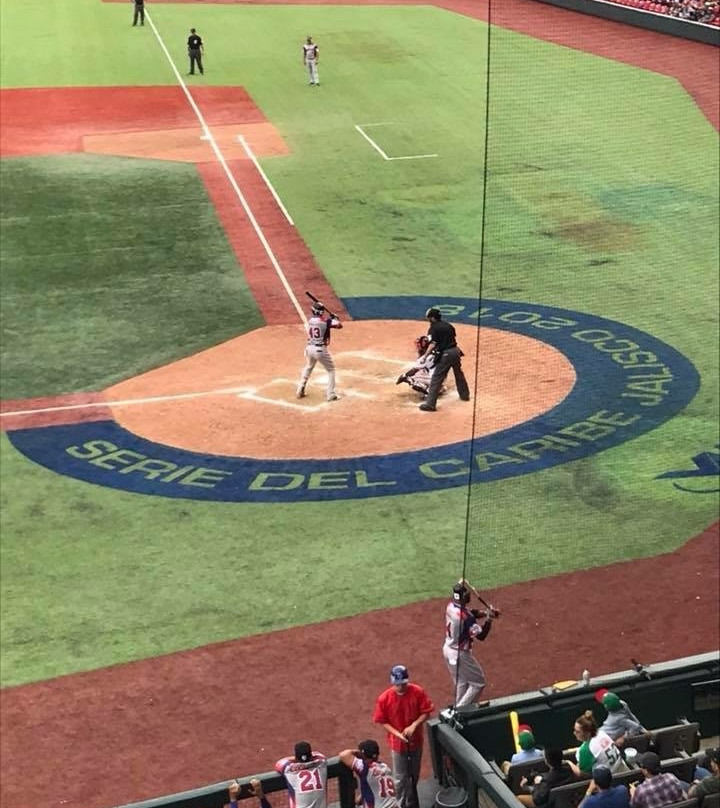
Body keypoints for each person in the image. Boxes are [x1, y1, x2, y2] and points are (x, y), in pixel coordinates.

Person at [372, 664, 434, 808]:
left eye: (404, 684)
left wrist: (414, 725)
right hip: (397, 744)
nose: (401, 687)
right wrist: (397, 734)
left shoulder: (417, 692)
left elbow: (426, 712)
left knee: (414, 776)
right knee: (400, 779)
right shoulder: (385, 698)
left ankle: (411, 803)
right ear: (393, 682)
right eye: (398, 685)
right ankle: (399, 804)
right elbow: (382, 721)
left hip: (416, 741)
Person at [443, 581, 496, 708]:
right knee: (478, 683)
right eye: (466, 594)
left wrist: (485, 613)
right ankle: (460, 711)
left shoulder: (451, 606)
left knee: (462, 681)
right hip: (460, 654)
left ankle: (457, 708)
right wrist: (489, 619)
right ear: (461, 598)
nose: (469, 595)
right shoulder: (466, 618)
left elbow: (470, 612)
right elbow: (481, 636)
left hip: (448, 649)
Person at [417, 308, 470, 412]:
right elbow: (452, 338)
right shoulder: (448, 325)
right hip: (456, 351)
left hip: (446, 354)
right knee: (459, 374)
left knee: (437, 378)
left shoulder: (433, 328)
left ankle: (430, 404)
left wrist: (425, 356)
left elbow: (433, 344)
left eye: (428, 318)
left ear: (432, 318)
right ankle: (465, 395)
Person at [297, 301, 342, 402]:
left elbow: (326, 321)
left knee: (309, 367)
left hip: (309, 348)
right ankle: (330, 394)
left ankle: (300, 389)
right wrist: (335, 318)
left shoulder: (311, 320)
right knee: (331, 370)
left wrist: (332, 319)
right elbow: (339, 325)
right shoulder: (326, 321)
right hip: (320, 350)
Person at [339, 739, 399, 808]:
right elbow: (376, 787)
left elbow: (344, 755)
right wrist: (362, 797)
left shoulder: (365, 767)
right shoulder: (385, 767)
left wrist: (356, 752)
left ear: (363, 755)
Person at [569, 712, 629, 776]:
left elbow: (582, 774)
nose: (574, 733)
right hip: (624, 769)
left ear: (588, 733)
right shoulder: (602, 733)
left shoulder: (586, 749)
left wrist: (569, 763)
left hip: (612, 779)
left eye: (577, 731)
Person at [276, 741, 328, 808]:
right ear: (311, 756)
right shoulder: (321, 763)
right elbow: (319, 755)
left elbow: (280, 763)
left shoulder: (289, 770)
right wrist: (307, 764)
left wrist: (298, 762)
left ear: (296, 757)